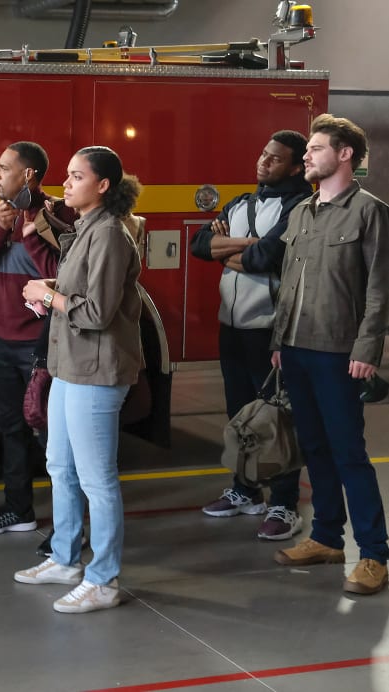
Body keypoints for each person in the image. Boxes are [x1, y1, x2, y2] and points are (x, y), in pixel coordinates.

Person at [18, 146, 143, 614]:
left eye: (76, 177)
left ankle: (103, 579)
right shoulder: (87, 228)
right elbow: (81, 292)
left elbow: (97, 313)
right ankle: (66, 559)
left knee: (97, 479)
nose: (66, 184)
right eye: (67, 176)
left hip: (96, 370)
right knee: (60, 465)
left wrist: (48, 296)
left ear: (103, 186)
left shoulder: (108, 233)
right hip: (70, 366)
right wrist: (51, 291)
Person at [271, 114, 389, 595]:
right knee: (314, 447)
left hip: (340, 352)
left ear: (344, 155)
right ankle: (326, 537)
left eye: (316, 148)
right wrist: (279, 342)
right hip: (296, 348)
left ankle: (375, 554)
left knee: (348, 452)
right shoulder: (302, 211)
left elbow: (379, 288)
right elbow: (289, 285)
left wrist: (367, 348)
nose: (307, 156)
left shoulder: (369, 212)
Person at [191, 131, 312, 540]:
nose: (264, 161)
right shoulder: (240, 203)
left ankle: (284, 503)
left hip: (270, 331)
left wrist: (226, 250)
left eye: (275, 158)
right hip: (232, 327)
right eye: (264, 154)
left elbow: (265, 257)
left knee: (277, 419)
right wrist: (244, 245)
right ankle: (246, 490)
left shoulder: (298, 208)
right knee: (240, 414)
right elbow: (199, 245)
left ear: (295, 167)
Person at [0, 142, 67, 536]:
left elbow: (63, 273)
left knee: (51, 436)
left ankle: (66, 527)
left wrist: (33, 231)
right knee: (10, 428)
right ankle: (18, 510)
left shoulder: (56, 215)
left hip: (39, 347)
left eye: (4, 168)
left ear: (28, 175)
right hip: (1, 342)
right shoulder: (0, 215)